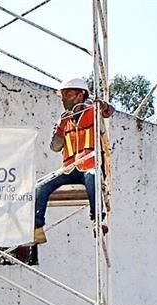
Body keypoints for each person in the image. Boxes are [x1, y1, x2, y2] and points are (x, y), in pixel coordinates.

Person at [33, 78, 113, 245]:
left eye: (68, 94)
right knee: (40, 186)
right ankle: (37, 228)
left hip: (90, 165)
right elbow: (55, 147)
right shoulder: (64, 120)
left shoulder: (93, 111)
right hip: (69, 168)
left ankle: (97, 220)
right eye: (62, 96)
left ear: (80, 95)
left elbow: (108, 111)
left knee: (92, 177)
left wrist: (101, 105)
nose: (64, 99)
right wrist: (61, 127)